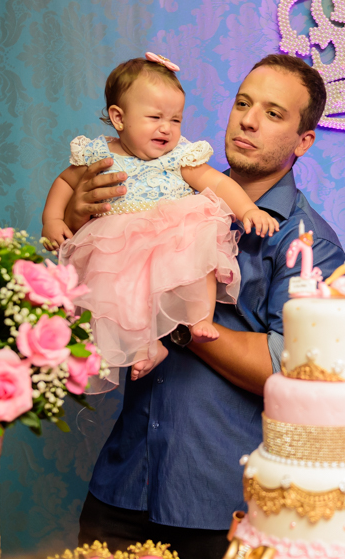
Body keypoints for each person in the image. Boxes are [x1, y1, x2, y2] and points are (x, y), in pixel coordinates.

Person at [64, 54, 345, 559]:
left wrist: (173, 317)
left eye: (273, 113)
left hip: (223, 505)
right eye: (243, 104)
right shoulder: (162, 187)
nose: (248, 121)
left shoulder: (309, 244)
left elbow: (287, 368)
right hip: (124, 483)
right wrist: (76, 219)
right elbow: (89, 295)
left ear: (303, 140)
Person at [41, 54, 279, 381]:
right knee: (119, 292)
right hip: (120, 245)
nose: (166, 128)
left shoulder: (178, 156)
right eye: (155, 117)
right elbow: (65, 183)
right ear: (119, 117)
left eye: (175, 120)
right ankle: (146, 346)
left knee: (200, 250)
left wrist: (248, 209)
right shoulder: (99, 154)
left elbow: (219, 183)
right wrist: (53, 220)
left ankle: (200, 317)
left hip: (170, 236)